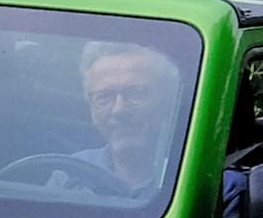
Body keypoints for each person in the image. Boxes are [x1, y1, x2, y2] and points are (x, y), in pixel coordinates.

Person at [65, 35, 188, 200]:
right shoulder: (71, 173)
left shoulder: (200, 178)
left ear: (169, 99)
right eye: (104, 97)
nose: (119, 110)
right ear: (90, 106)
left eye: (137, 93)